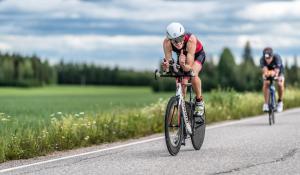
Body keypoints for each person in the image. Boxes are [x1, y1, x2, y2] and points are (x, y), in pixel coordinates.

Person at [162, 22, 206, 117]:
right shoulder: (166, 43)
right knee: (181, 83)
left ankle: (199, 101)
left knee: (192, 75)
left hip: (197, 55)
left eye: (180, 38)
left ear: (183, 35)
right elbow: (170, 63)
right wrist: (167, 68)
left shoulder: (191, 40)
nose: (178, 43)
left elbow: (188, 68)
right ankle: (183, 109)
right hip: (182, 56)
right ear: (170, 40)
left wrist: (182, 65)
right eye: (175, 41)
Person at [260, 47, 285, 112]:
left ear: (272, 56)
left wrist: (276, 76)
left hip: (279, 71)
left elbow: (276, 72)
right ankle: (266, 104)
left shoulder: (277, 58)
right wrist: (266, 74)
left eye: (269, 58)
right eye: (266, 58)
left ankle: (280, 102)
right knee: (266, 83)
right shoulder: (262, 60)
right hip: (268, 71)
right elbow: (265, 71)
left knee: (280, 84)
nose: (268, 60)